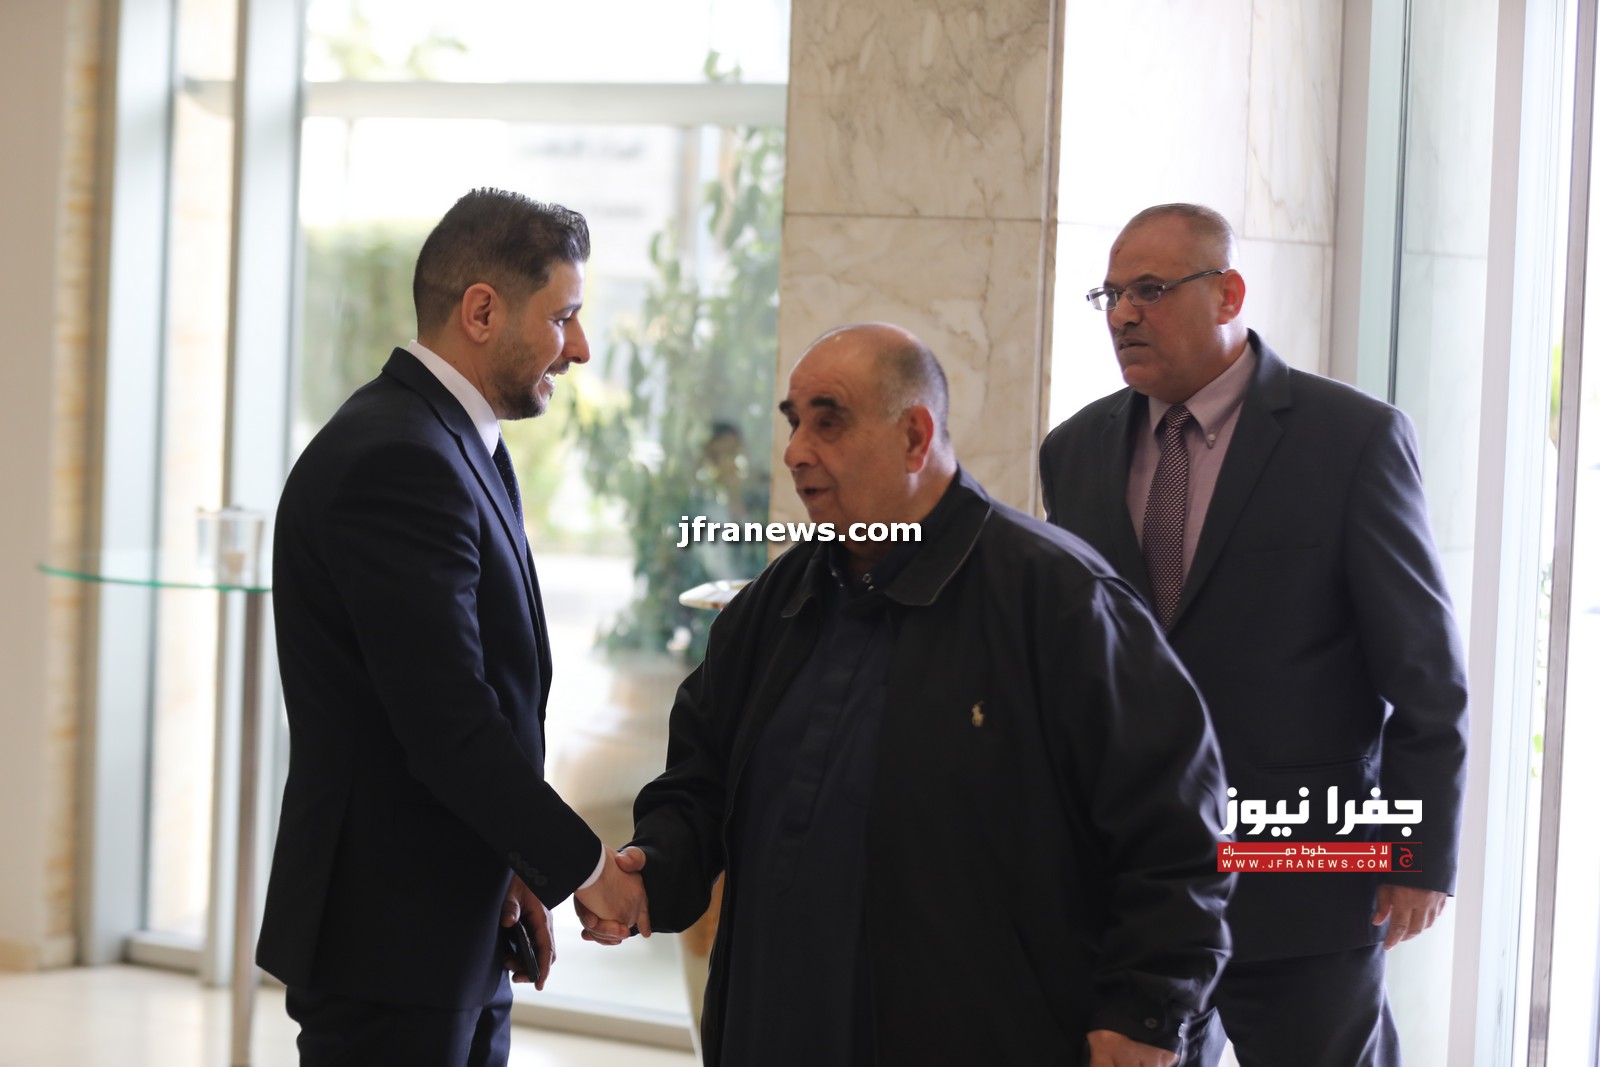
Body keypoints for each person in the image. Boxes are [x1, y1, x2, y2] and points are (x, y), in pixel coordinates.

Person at [596, 323, 1233, 1066]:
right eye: (794, 422)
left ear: (914, 436)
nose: (796, 450)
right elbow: (700, 782)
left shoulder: (1058, 600)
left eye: (828, 422)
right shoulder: (778, 602)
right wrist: (653, 870)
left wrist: (1146, 1015)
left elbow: (1178, 834)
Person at [1038, 204, 1470, 1066]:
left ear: (1228, 293)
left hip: (1303, 882)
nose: (1123, 315)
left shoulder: (1352, 439)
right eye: (1111, 295)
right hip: (1132, 890)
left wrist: (1418, 852)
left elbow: (1426, 674)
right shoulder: (1073, 451)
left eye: (1149, 290)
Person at [257, 188, 649, 1067]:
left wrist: (513, 862)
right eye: (563, 317)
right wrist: (586, 869)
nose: (580, 347)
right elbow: (447, 722)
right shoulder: (400, 457)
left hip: (449, 925)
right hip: (390, 942)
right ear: (481, 311)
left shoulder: (447, 440)